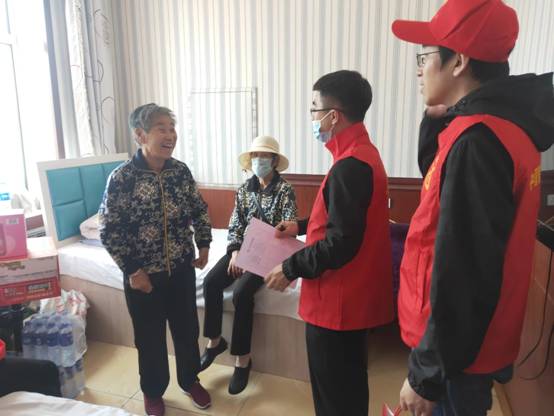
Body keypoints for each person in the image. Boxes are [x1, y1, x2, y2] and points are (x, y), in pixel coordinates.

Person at [391, 1, 554, 415]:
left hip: (456, 357)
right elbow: (439, 183)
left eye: (424, 57)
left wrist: (426, 375)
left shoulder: (477, 141)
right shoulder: (501, 129)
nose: (419, 69)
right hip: (470, 344)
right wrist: (435, 118)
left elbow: (464, 271)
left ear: (459, 61)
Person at [265, 70, 394, 416]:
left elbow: (340, 242)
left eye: (314, 109)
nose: (312, 117)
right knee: (348, 389)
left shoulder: (350, 165)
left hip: (336, 305)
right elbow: (343, 218)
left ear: (333, 116)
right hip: (348, 301)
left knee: (335, 398)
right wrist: (300, 226)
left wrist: (289, 267)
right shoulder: (361, 154)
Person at [99, 103, 212, 416]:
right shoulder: (122, 177)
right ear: (140, 135)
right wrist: (133, 270)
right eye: (161, 129)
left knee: (187, 331)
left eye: (172, 128)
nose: (170, 135)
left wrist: (204, 243)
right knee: (149, 338)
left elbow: (199, 208)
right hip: (143, 275)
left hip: (181, 269)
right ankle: (153, 391)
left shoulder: (180, 172)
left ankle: (190, 380)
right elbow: (109, 229)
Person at [200, 135, 297, 394]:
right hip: (243, 247)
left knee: (242, 293)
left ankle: (242, 360)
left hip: (269, 251)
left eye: (264, 155)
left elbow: (289, 227)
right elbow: (235, 224)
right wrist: (234, 252)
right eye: (255, 155)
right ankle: (214, 341)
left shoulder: (285, 190)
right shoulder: (244, 189)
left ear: (274, 160)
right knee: (211, 282)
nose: (258, 160)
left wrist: (269, 240)